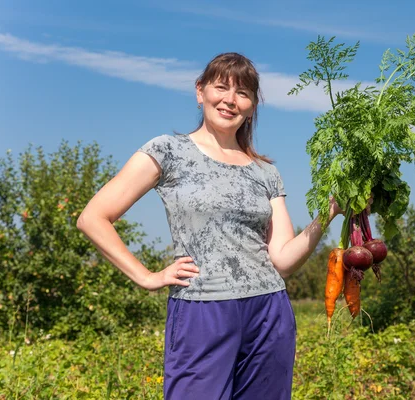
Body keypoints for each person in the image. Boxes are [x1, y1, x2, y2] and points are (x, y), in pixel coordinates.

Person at [76, 52, 342, 399]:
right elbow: (93, 218)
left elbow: (283, 260)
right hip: (202, 309)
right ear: (200, 91)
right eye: (221, 88)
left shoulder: (265, 172)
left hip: (269, 309)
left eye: (243, 93)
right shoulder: (168, 151)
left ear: (252, 106)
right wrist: (146, 276)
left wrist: (330, 212)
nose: (230, 100)